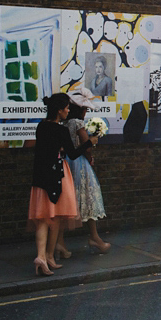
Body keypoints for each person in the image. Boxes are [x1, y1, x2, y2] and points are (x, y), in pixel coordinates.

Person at [29, 92, 96, 276]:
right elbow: (73, 153)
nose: (68, 110)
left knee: (42, 218)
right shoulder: (61, 130)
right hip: (58, 174)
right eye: (66, 107)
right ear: (59, 111)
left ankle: (42, 257)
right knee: (56, 217)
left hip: (40, 176)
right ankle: (49, 256)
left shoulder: (41, 126)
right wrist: (89, 142)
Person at [61, 89, 111, 255]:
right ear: (80, 109)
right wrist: (93, 141)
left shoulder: (65, 123)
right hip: (79, 164)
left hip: (66, 162)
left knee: (66, 201)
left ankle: (59, 241)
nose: (86, 111)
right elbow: (85, 144)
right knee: (87, 198)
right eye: (85, 109)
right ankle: (94, 237)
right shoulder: (77, 123)